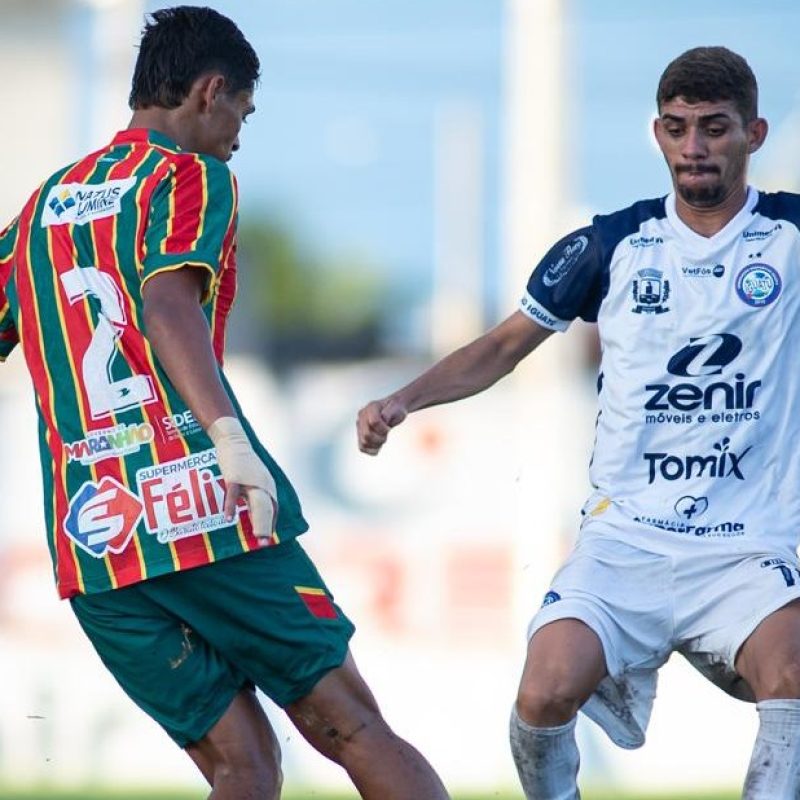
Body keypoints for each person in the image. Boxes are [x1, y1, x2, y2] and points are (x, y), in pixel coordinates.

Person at [0, 6, 450, 800]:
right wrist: (231, 443)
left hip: (94, 543)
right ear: (211, 92)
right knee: (351, 726)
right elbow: (167, 304)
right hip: (198, 506)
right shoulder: (186, 176)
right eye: (242, 110)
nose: (239, 132)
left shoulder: (42, 206)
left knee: (244, 767)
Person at [357, 46, 800, 799]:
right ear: (657, 134)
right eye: (677, 127)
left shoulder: (789, 235)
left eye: (714, 129)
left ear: (753, 135)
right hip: (626, 540)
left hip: (748, 547)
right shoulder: (609, 244)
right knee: (541, 694)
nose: (694, 148)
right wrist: (404, 400)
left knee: (791, 679)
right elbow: (501, 346)